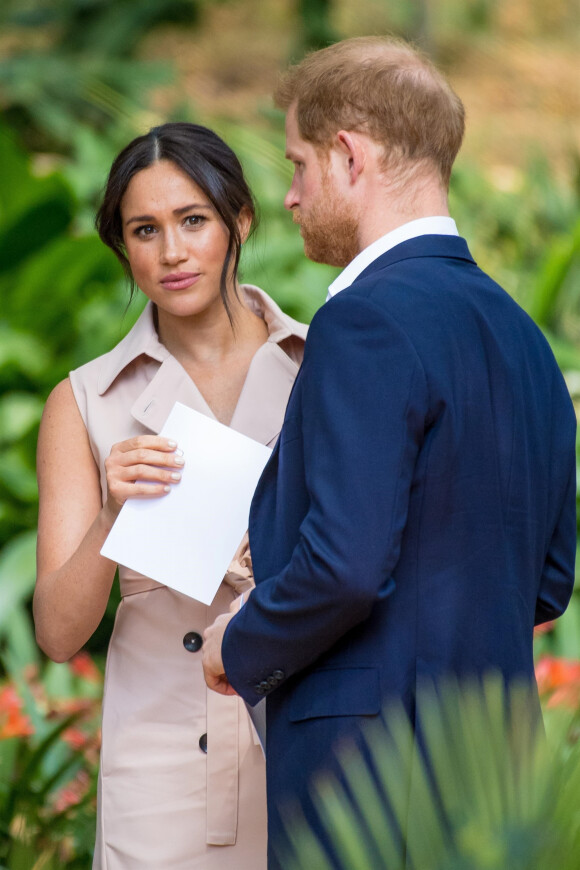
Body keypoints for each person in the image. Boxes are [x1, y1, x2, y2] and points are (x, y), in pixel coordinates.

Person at [202, 36, 577, 868]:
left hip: (370, 783)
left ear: (349, 155)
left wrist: (241, 640)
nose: (291, 197)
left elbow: (344, 563)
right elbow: (547, 580)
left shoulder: (364, 319)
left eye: (298, 165)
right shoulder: (525, 341)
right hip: (498, 778)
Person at [33, 122, 307, 869]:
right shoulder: (86, 401)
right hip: (158, 770)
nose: (173, 252)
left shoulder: (322, 366)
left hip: (303, 743)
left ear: (240, 221)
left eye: (194, 221)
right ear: (123, 247)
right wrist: (114, 516)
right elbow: (58, 634)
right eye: (144, 230)